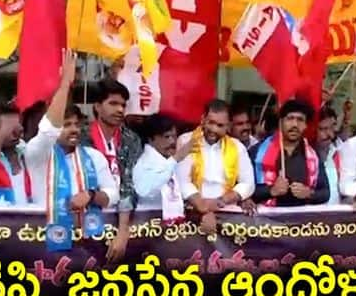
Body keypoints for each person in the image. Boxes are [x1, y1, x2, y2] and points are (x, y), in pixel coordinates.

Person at [25, 50, 120, 259]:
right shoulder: (38, 154)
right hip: (45, 244)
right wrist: (65, 84)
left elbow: (113, 194)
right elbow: (49, 129)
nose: (74, 130)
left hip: (90, 244)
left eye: (77, 124)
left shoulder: (93, 157)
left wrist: (92, 196)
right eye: (67, 125)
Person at [82, 79, 143, 263]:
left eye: (123, 105)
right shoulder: (81, 136)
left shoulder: (131, 139)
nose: (120, 110)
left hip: (122, 218)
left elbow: (129, 184)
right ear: (98, 107)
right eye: (113, 103)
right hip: (86, 217)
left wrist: (123, 232)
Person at [176, 99, 255, 234]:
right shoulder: (186, 141)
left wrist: (220, 202)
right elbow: (182, 182)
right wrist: (204, 208)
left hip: (227, 213)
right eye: (210, 122)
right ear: (203, 119)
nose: (213, 129)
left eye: (220, 125)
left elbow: (248, 184)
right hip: (192, 212)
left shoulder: (237, 147)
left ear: (228, 126)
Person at [247, 99, 329, 209]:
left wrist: (309, 193)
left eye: (300, 120)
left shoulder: (313, 155)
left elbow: (325, 193)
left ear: (305, 125)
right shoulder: (257, 152)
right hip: (266, 222)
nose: (295, 124)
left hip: (302, 222)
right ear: (281, 122)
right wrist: (271, 191)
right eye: (290, 119)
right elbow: (245, 190)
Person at [132, 114, 192, 217]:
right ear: (151, 139)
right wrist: (175, 159)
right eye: (167, 137)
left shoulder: (173, 160)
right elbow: (144, 191)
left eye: (174, 136)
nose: (172, 141)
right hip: (148, 222)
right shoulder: (144, 163)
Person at [316, 106, 341, 205]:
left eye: (332, 128)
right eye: (323, 129)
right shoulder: (306, 158)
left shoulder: (339, 152)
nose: (330, 134)